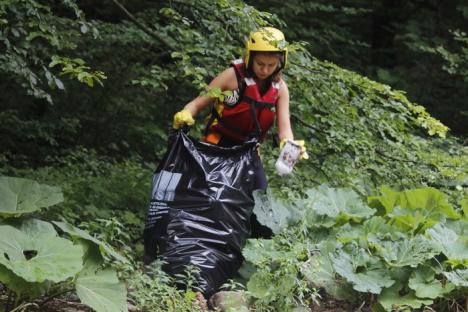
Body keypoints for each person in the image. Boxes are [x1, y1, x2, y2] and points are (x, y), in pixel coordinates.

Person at [173, 26, 307, 186]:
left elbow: (285, 129)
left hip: (249, 151)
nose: (265, 70)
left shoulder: (280, 88)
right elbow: (196, 103)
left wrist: (289, 145)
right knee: (206, 195)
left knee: (258, 197)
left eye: (271, 65)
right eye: (260, 63)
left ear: (281, 62)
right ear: (250, 57)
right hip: (218, 144)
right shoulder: (231, 76)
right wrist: (186, 113)